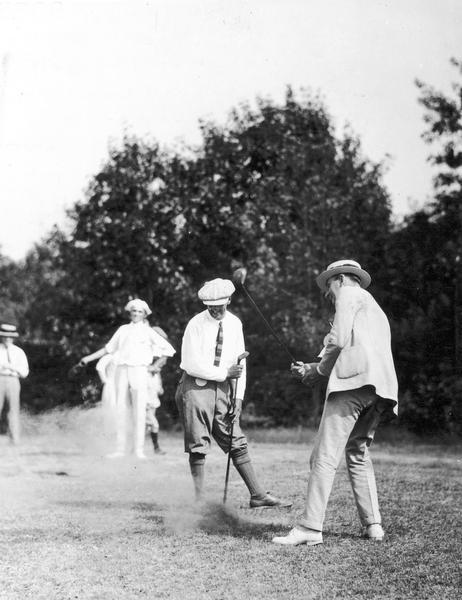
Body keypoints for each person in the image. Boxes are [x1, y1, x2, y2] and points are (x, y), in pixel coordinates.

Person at [272, 260, 398, 546]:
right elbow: (346, 344)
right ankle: (373, 525)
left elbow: (339, 341)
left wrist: (317, 371)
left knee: (323, 456)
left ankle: (310, 528)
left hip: (352, 384)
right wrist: (312, 368)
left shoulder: (347, 294)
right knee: (358, 453)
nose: (327, 292)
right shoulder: (372, 305)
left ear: (341, 279)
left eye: (328, 284)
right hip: (380, 389)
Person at [176, 277, 291, 508]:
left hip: (226, 388)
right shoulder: (195, 324)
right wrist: (224, 373)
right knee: (198, 444)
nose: (216, 311)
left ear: (228, 301)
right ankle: (199, 502)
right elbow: (190, 363)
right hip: (196, 388)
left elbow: (241, 363)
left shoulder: (235, 323)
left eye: (220, 306)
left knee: (235, 439)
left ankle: (257, 495)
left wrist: (238, 397)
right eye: (211, 307)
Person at [80, 299, 175, 459]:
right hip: (121, 370)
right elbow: (108, 349)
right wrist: (88, 358)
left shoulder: (148, 331)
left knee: (139, 409)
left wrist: (155, 366)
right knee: (120, 408)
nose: (136, 314)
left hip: (139, 370)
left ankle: (138, 450)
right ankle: (120, 449)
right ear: (129, 313)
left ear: (144, 314)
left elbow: (168, 350)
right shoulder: (123, 329)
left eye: (140, 311)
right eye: (134, 311)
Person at [145, 326, 175, 456]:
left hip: (153, 385)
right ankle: (155, 448)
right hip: (145, 383)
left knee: (149, 419)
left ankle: (151, 447)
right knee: (152, 422)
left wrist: (159, 385)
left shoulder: (159, 352)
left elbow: (158, 371)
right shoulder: (145, 351)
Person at [0, 323, 29, 445]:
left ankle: (15, 439)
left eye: (10, 337)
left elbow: (24, 372)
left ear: (13, 338)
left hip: (13, 381)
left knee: (13, 410)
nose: (7, 339)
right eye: (5, 336)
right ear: (1, 337)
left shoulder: (19, 352)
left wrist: (11, 367)